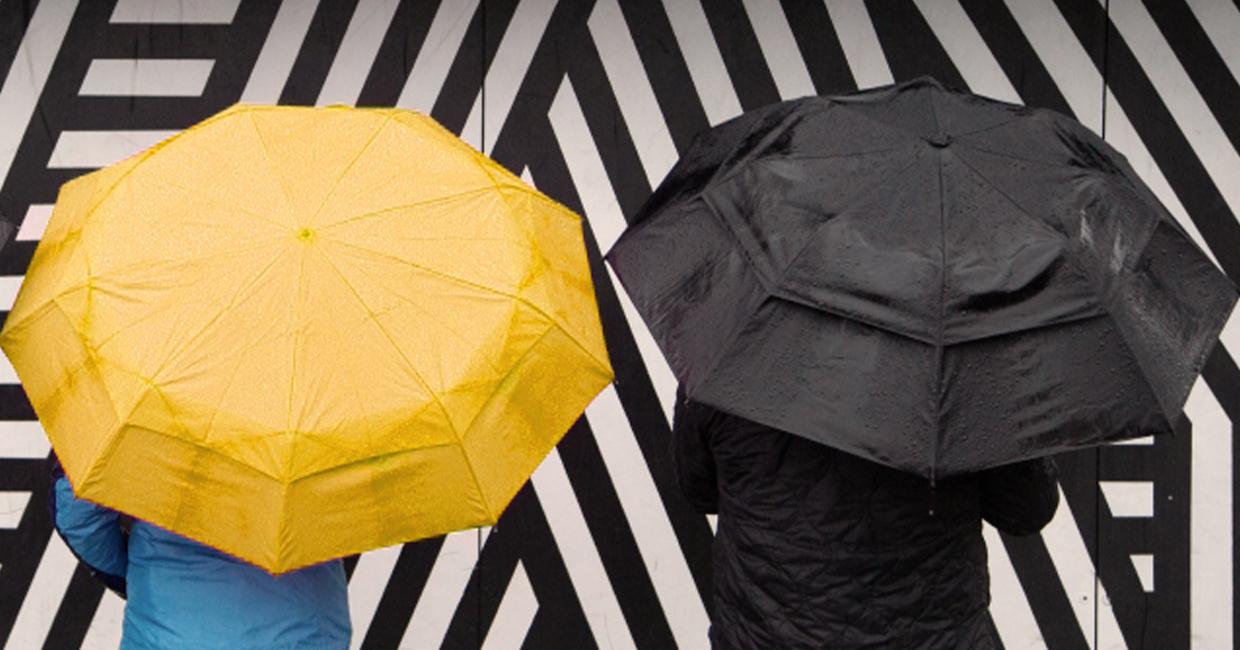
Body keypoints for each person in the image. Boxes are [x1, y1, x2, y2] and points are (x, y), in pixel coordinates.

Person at [672, 388, 1059, 649]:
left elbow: (700, 490)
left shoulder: (726, 347)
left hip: (766, 636)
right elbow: (1026, 510)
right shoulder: (966, 359)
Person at [49, 457, 352, 650]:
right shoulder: (336, 386)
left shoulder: (150, 377)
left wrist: (135, 577)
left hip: (170, 633)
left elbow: (76, 509)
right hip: (303, 629)